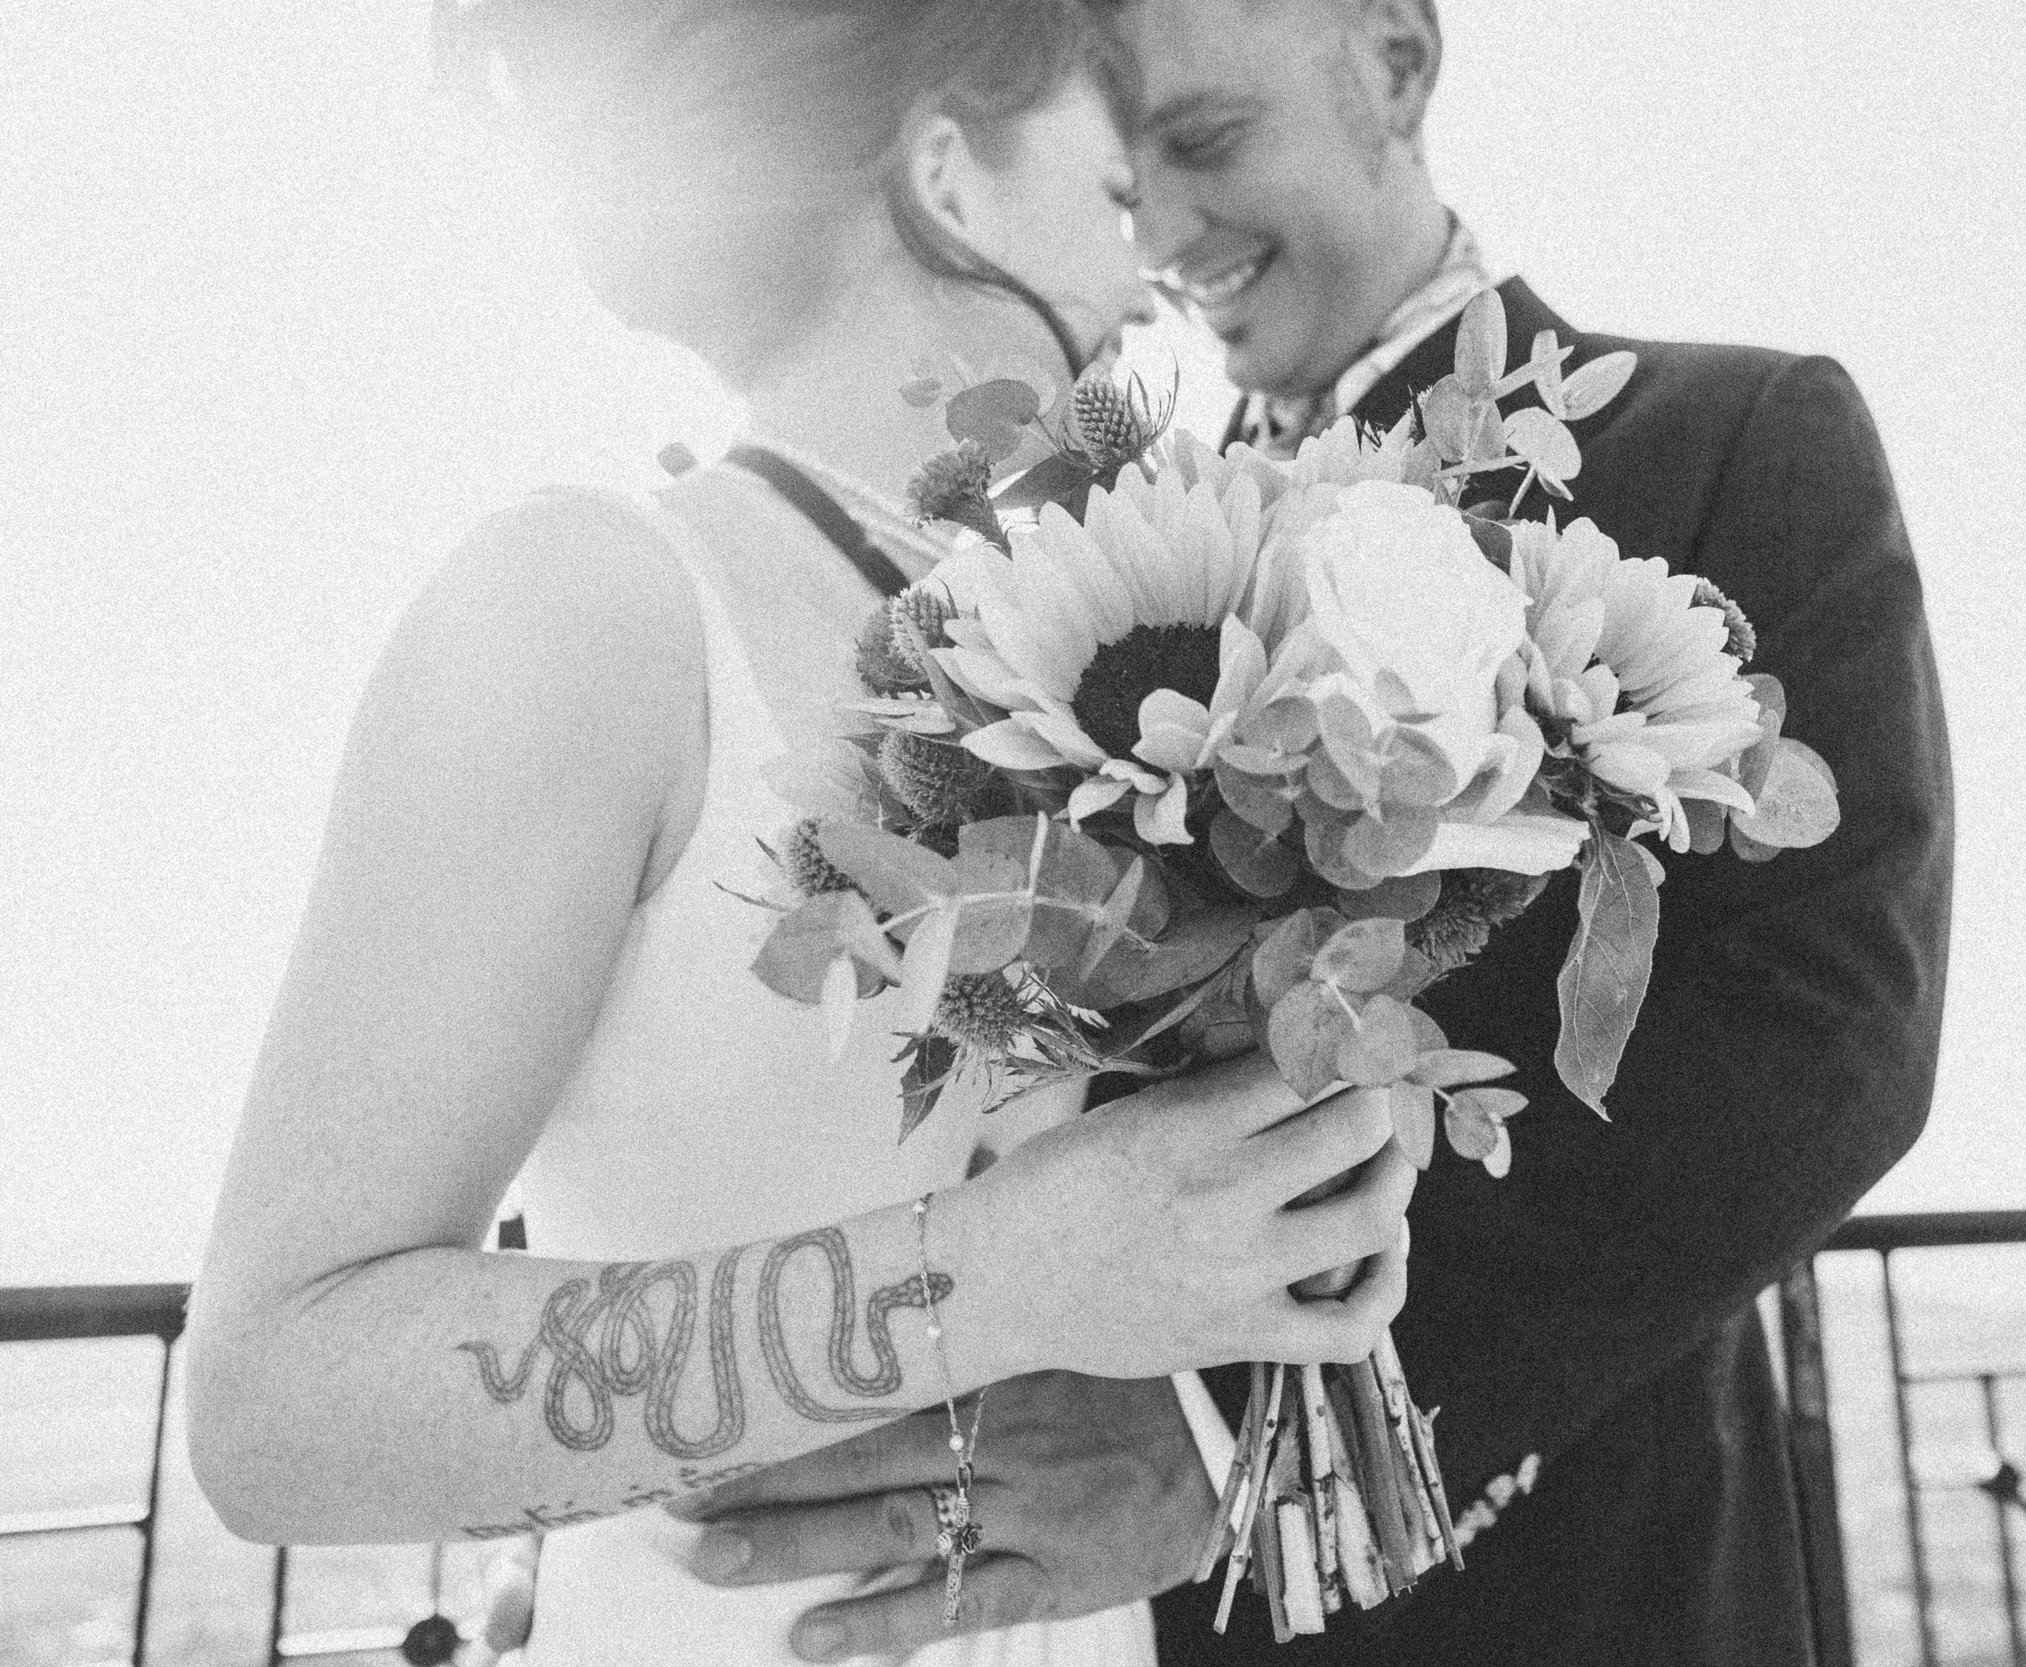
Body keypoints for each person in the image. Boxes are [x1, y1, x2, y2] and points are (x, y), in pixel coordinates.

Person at [665, 1, 1955, 1663]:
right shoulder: (1101, 537)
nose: (1165, 231)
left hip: (1570, 1577)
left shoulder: (1730, 440)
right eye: (1123, 178)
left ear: (1396, 62)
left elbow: (1827, 1030)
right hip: (1111, 1598)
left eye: (1207, 142)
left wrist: (1216, 1431)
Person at [181, 4, 1420, 1665]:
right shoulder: (588, 607)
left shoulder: (1102, 643)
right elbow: (271, 1406)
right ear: (949, 178)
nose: (1148, 285)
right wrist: (991, 1276)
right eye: (1115, 200)